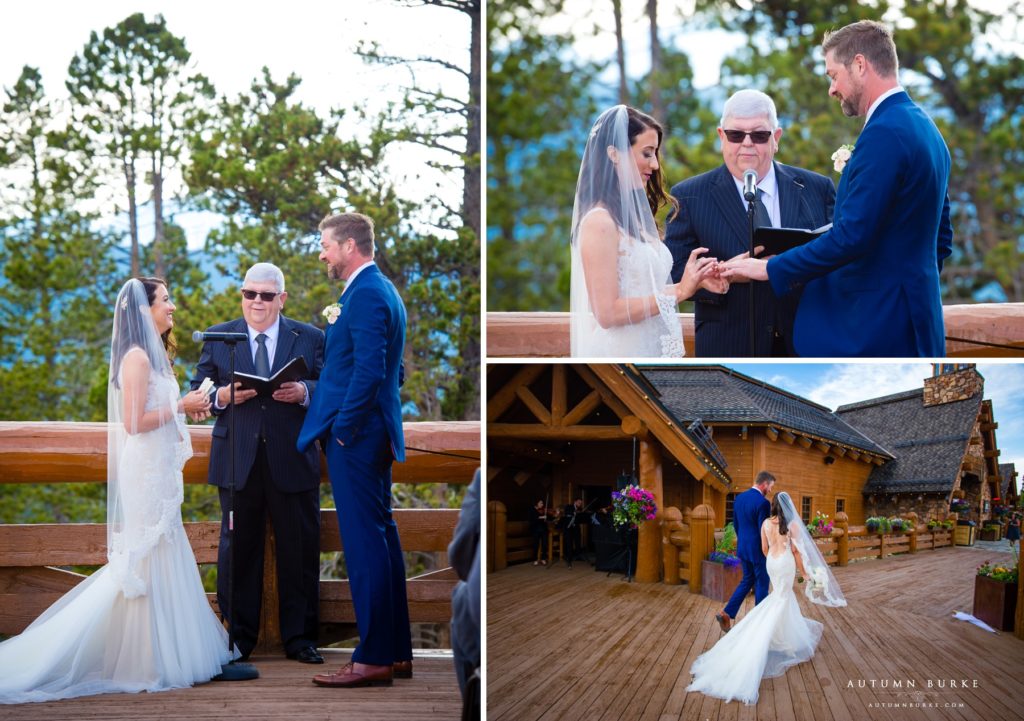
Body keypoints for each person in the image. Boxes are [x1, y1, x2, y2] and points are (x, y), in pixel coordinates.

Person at [0, 278, 232, 703]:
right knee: (146, 554)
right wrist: (181, 406)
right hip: (144, 470)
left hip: (158, 468)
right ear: (143, 311)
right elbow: (133, 423)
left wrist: (187, 410)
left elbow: (156, 415)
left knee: (164, 548)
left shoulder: (155, 355)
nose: (173, 307)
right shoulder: (137, 357)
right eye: (166, 300)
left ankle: (163, 654)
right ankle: (142, 661)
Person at [722, 20, 953, 357]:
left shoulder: (884, 133)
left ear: (859, 65)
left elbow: (851, 237)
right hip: (919, 317)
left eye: (833, 75)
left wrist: (771, 267)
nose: (832, 89)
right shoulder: (926, 127)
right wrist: (909, 281)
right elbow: (941, 236)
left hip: (878, 328)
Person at [299, 212, 413, 688]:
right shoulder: (380, 289)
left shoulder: (365, 294)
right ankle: (395, 650)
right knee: (382, 539)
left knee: (365, 547)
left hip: (358, 439)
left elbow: (370, 370)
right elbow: (393, 370)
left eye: (325, 244)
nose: (322, 253)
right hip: (372, 434)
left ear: (348, 245)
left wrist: (343, 430)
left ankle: (371, 659)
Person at [191, 263, 325, 665]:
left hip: (293, 456)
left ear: (282, 298)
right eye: (250, 294)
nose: (257, 302)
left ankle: (300, 639)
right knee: (238, 551)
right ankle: (238, 639)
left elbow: (331, 385)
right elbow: (197, 390)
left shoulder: (311, 336)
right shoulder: (219, 336)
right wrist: (222, 397)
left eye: (267, 295)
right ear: (242, 295)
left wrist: (304, 391)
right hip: (237, 459)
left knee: (299, 550)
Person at [664, 89, 835, 357]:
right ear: (721, 137)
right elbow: (673, 271)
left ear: (775, 138)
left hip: (808, 343)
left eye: (758, 135)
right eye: (735, 135)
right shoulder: (689, 195)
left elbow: (838, 256)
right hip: (731, 346)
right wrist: (720, 275)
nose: (747, 143)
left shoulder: (817, 188)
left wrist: (785, 266)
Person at [569, 104, 726, 358]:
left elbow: (643, 292)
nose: (654, 165)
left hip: (652, 349)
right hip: (622, 355)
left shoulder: (633, 220)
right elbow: (607, 313)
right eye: (646, 153)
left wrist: (693, 283)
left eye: (655, 155)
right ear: (614, 153)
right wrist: (678, 291)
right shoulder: (599, 223)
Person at [687, 491, 846, 705]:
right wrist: (806, 574)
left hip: (772, 561)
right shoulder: (792, 526)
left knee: (779, 598)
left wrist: (774, 556)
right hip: (786, 563)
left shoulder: (765, 523)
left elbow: (764, 548)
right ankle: (765, 636)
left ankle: (780, 637)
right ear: (788, 507)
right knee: (781, 598)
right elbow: (798, 553)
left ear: (773, 506)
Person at [716, 471, 775, 633]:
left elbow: (736, 525)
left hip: (743, 548)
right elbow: (763, 530)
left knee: (747, 580)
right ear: (764, 484)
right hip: (758, 550)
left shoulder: (739, 499)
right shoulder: (763, 503)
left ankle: (727, 613)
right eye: (770, 486)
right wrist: (769, 550)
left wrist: (744, 542)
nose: (770, 490)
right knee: (762, 583)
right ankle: (760, 623)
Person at [449, 471, 480, 719]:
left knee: (462, 596)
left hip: (476, 623)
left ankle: (470, 705)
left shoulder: (481, 479)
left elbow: (458, 554)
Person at [561, 498, 586, 568]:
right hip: (568, 528)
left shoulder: (580, 510)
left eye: (580, 503)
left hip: (576, 528)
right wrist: (574, 513)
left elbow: (581, 518)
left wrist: (580, 514)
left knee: (578, 541)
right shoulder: (569, 506)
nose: (579, 504)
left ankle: (578, 555)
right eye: (578, 502)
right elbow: (567, 513)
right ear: (575, 502)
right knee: (569, 542)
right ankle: (568, 557)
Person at [530, 500, 553, 566]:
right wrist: (541, 517)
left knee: (545, 544)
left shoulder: (544, 510)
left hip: (544, 530)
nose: (542, 504)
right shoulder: (532, 510)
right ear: (536, 503)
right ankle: (535, 559)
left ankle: (543, 559)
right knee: (535, 545)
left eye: (543, 503)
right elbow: (532, 519)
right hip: (535, 530)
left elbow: (550, 518)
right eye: (541, 503)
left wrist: (556, 514)